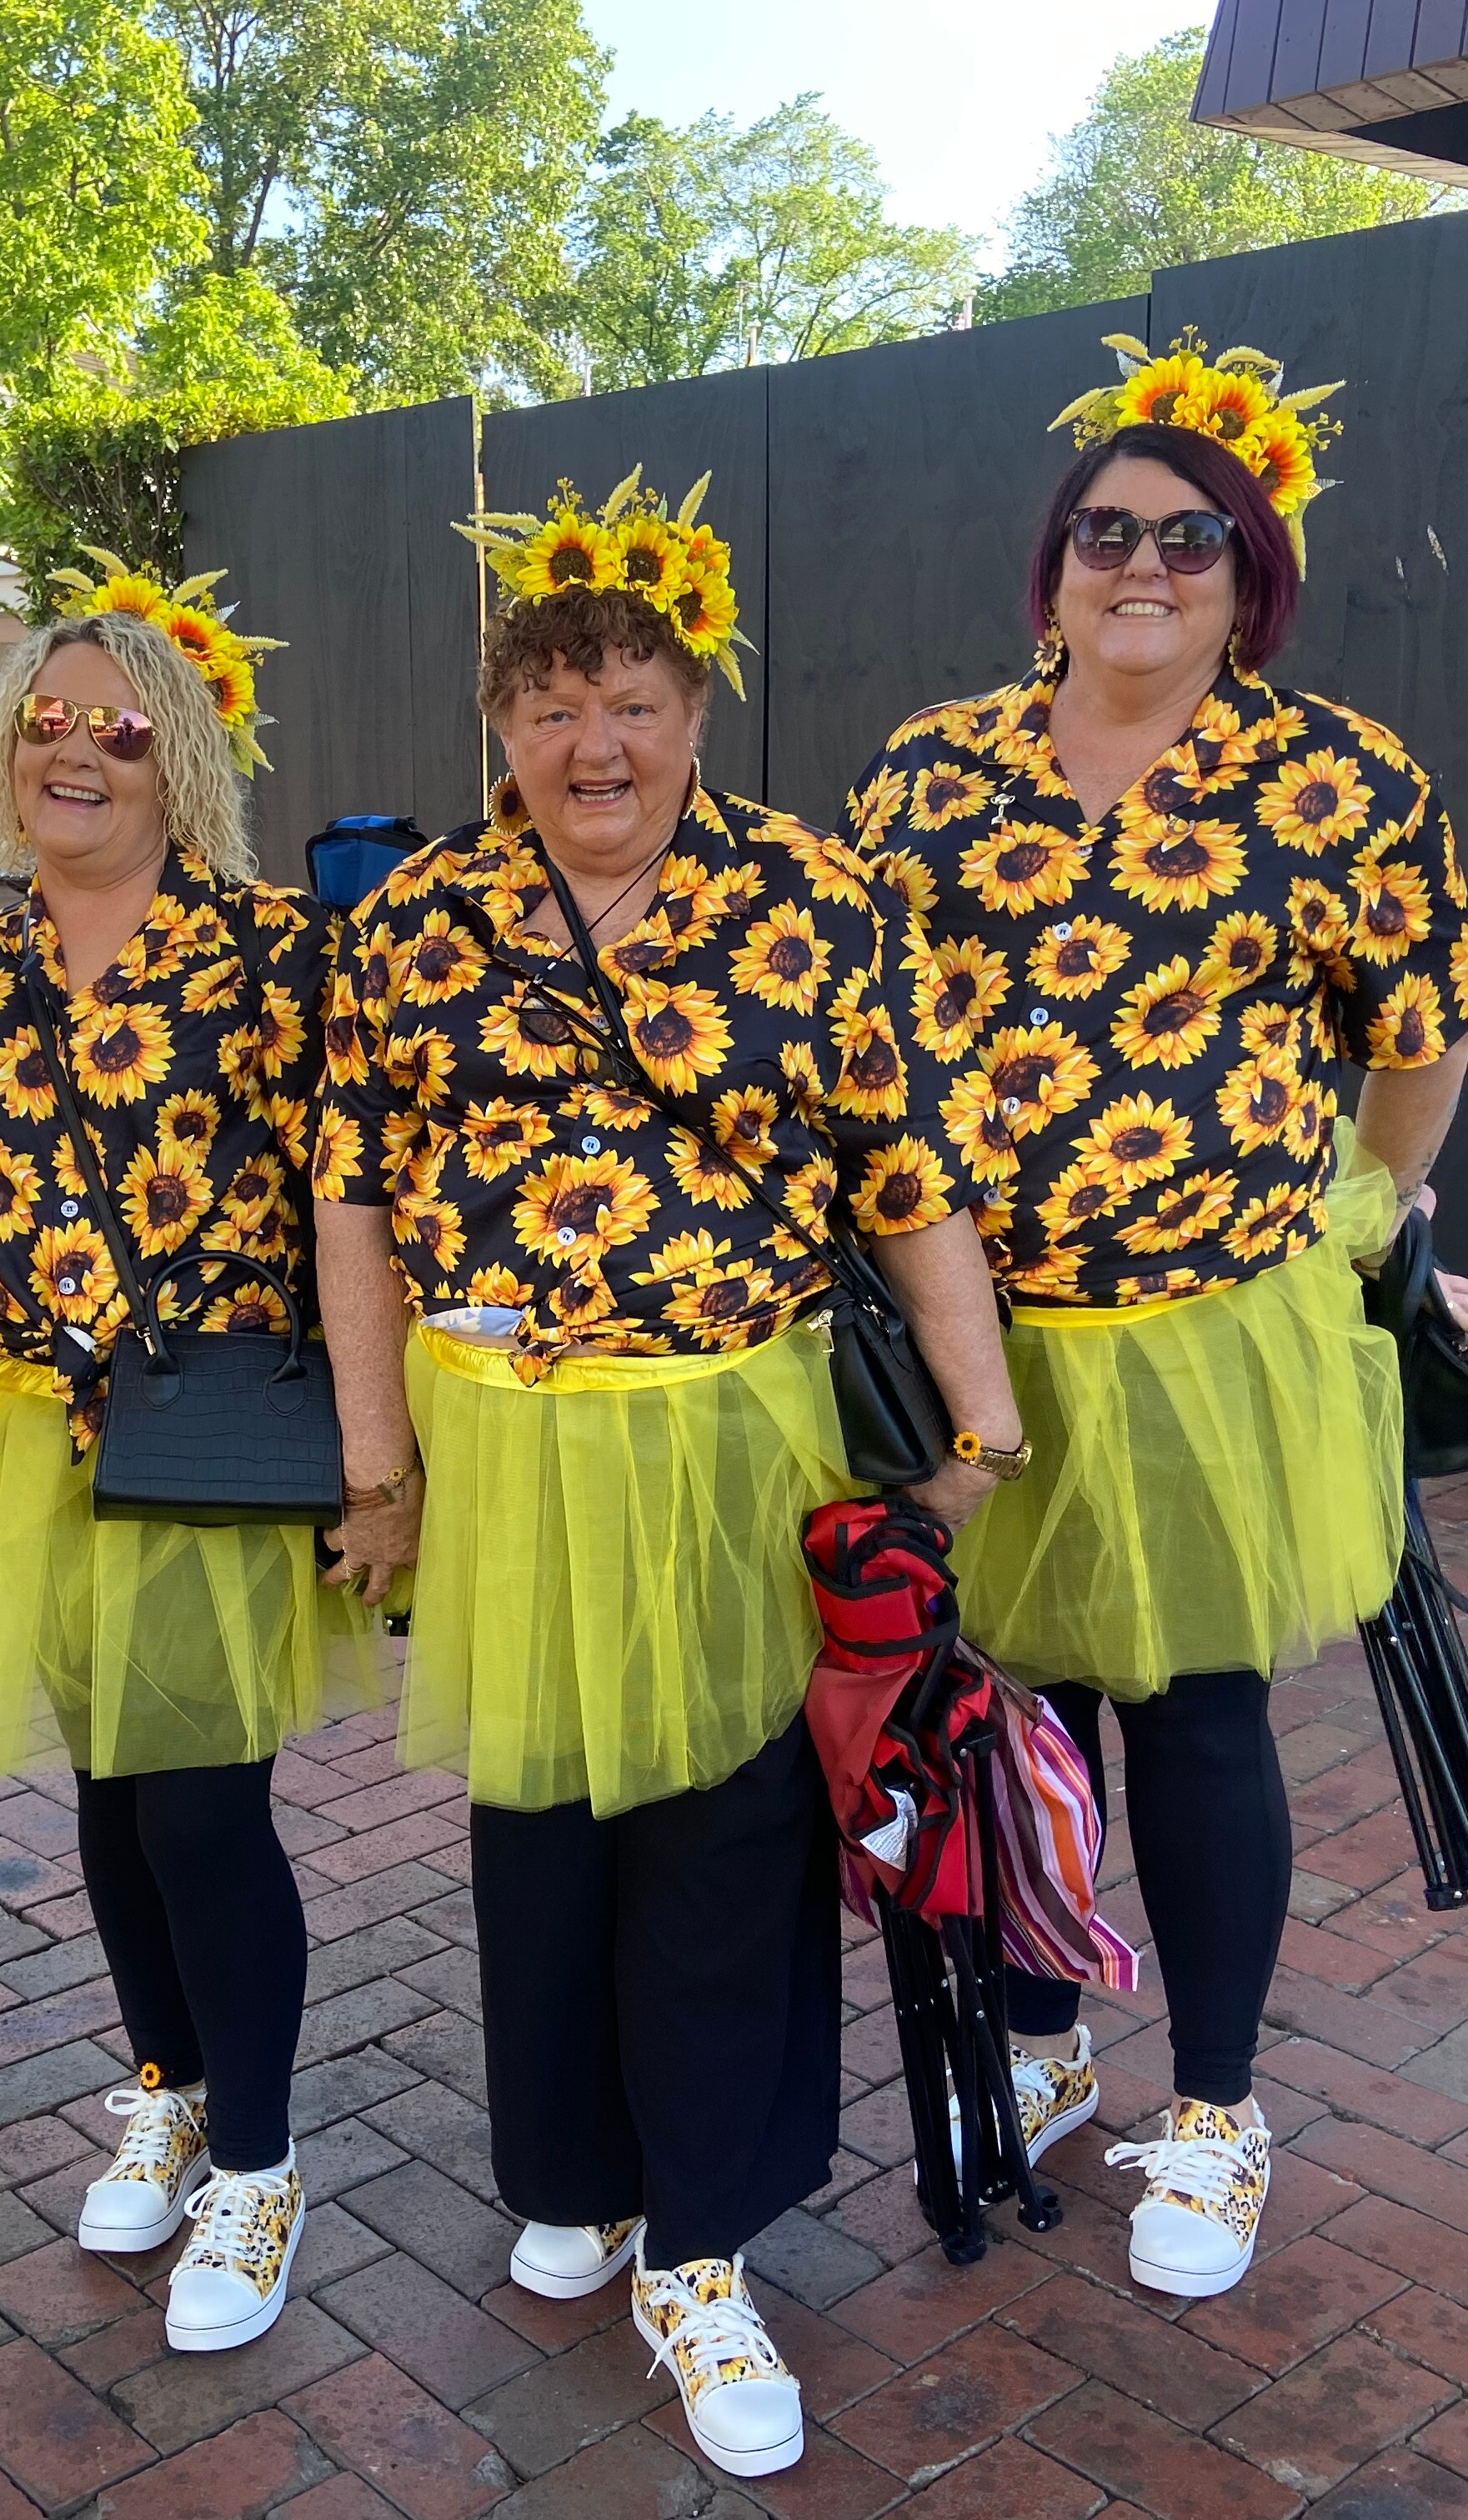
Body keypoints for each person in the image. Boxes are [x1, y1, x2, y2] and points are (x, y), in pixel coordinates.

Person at [316, 469, 1022, 2481]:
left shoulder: (809, 896)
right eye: (551, 704)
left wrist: (983, 1427)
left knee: (724, 1832)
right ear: (501, 722)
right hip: (503, 1442)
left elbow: (909, 1177)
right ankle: (575, 2170)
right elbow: (352, 1198)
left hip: (730, 1432)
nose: (594, 743)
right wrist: (377, 1466)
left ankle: (703, 2245)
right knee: (538, 1818)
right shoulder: (419, 922)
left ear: (699, 707)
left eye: (632, 699)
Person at [844, 335, 1468, 2302]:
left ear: (1251, 577)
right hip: (985, 1338)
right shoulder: (928, 770)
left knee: (1200, 1717)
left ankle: (1215, 2113)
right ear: (1053, 567)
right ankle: (1045, 2039)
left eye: (1190, 539)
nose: (1142, 566)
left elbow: (1425, 1026)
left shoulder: (1340, 780)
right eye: (1106, 532)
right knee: (1019, 1716)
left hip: (1214, 1339)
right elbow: (862, 1038)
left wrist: (1366, 1209)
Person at [0, 562, 365, 2357]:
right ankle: (164, 2086)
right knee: (106, 1788)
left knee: (201, 1805)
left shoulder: (276, 959)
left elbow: (353, 1211)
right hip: (25, 1432)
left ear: (183, 759)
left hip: (213, 1434)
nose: (74, 752)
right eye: (46, 722)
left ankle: (257, 2157)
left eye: (118, 727)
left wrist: (376, 1452)